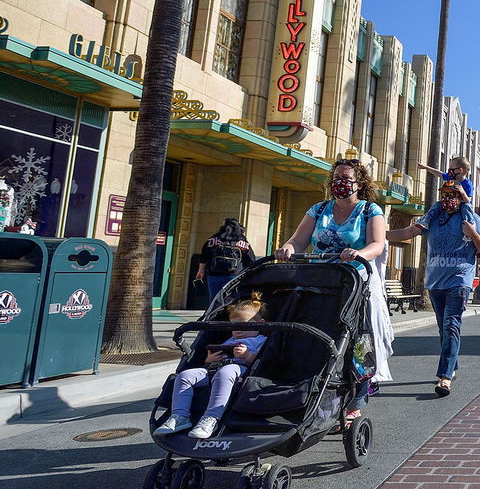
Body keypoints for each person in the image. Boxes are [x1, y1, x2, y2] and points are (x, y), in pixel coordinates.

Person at [274, 159, 392, 421]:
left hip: (355, 283)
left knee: (356, 342)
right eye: (336, 177)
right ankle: (312, 393)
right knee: (312, 336)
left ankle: (355, 402)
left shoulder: (370, 210)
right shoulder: (319, 209)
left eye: (346, 178)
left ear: (359, 184)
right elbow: (299, 239)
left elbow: (377, 244)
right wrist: (289, 248)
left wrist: (358, 253)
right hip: (320, 280)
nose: (340, 183)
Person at [387, 182, 480, 397]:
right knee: (444, 330)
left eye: (454, 194)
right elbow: (408, 232)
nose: (449, 198)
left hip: (459, 281)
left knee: (452, 325)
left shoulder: (471, 220)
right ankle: (452, 366)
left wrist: (472, 233)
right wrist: (376, 235)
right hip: (435, 283)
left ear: (462, 197)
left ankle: (444, 377)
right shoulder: (432, 218)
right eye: (445, 194)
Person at [154, 293, 268, 439]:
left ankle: (211, 418)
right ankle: (179, 416)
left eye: (243, 325)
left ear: (261, 323)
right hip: (214, 369)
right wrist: (209, 359)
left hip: (242, 371)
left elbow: (264, 362)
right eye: (234, 326)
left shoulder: (261, 340)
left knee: (226, 372)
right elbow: (211, 359)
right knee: (185, 376)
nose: (238, 330)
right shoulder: (230, 339)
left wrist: (247, 355)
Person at [195, 218, 255, 303]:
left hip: (214, 274)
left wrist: (201, 270)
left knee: (214, 300)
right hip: (234, 276)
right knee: (231, 301)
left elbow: (204, 255)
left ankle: (214, 315)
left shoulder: (214, 239)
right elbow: (251, 259)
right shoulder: (242, 242)